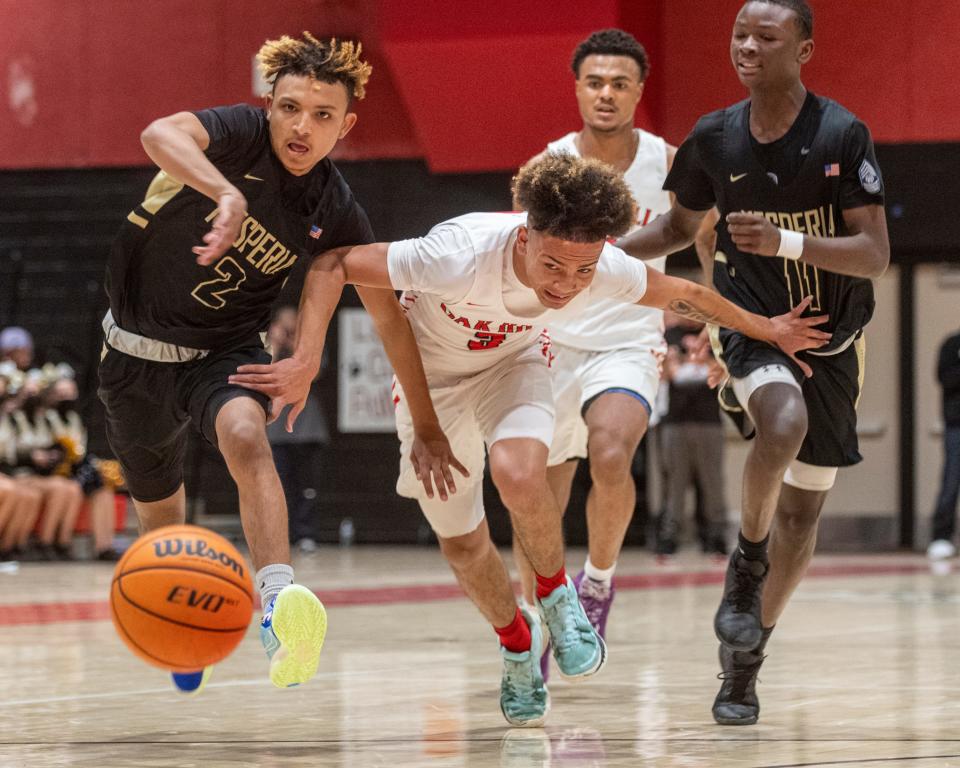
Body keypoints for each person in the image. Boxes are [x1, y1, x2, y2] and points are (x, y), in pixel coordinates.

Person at [231, 153, 830, 726]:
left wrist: (767, 329)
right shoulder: (456, 254)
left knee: (520, 473)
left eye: (583, 270)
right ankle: (517, 645)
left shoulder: (596, 263)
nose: (567, 285)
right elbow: (332, 264)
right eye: (553, 266)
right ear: (525, 238)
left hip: (513, 363)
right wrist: (311, 360)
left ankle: (557, 599)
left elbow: (686, 295)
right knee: (463, 545)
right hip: (432, 381)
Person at [98, 32, 460, 695]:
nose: (302, 126)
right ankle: (184, 630)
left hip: (226, 352)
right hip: (133, 356)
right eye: (290, 107)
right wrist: (224, 193)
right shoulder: (237, 135)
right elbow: (158, 134)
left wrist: (424, 422)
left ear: (345, 126)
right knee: (161, 522)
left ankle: (278, 609)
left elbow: (389, 318)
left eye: (322, 116)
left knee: (247, 436)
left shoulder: (332, 205)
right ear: (269, 104)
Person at [618, 0, 890, 726]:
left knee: (803, 518)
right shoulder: (712, 137)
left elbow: (875, 256)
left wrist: (788, 243)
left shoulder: (840, 133)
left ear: (804, 49)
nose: (747, 47)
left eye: (766, 37)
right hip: (750, 326)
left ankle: (744, 664)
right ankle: (745, 558)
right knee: (783, 422)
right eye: (739, 34)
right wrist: (602, 257)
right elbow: (677, 229)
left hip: (832, 341)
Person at [509, 29, 691, 668]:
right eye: (595, 82)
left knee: (612, 451)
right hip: (552, 338)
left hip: (628, 337)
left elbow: (709, 238)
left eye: (620, 83)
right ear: (578, 89)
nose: (607, 93)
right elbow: (518, 254)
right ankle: (537, 617)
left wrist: (712, 327)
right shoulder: (549, 165)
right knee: (537, 490)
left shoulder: (670, 162)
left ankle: (599, 583)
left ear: (640, 90)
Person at [657, 313, 728, 556]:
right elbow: (669, 373)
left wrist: (686, 361)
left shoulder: (714, 334)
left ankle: (716, 536)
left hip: (710, 421)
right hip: (675, 422)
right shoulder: (669, 336)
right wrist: (697, 362)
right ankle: (669, 537)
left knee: (713, 482)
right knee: (675, 482)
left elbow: (721, 369)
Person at [265, 305, 329, 553]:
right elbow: (264, 373)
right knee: (280, 486)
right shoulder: (269, 347)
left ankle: (306, 533)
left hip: (309, 430)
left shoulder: (309, 346)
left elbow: (314, 373)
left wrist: (295, 345)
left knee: (307, 486)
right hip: (277, 432)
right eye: (286, 326)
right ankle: (283, 535)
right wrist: (276, 344)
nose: (290, 330)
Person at [927, 329, 960, 560]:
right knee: (951, 480)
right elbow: (944, 378)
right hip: (956, 424)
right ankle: (941, 537)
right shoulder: (952, 344)